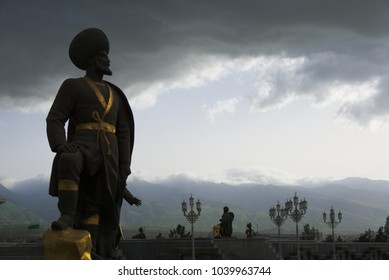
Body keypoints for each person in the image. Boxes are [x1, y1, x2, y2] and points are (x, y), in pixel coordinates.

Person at [46, 27, 141, 259]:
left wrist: (125, 164)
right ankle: (67, 215)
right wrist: (60, 145)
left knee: (97, 203)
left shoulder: (116, 94)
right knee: (68, 160)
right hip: (83, 146)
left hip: (110, 155)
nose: (108, 59)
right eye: (102, 55)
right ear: (90, 60)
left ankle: (93, 248)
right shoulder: (73, 86)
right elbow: (55, 118)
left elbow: (124, 133)